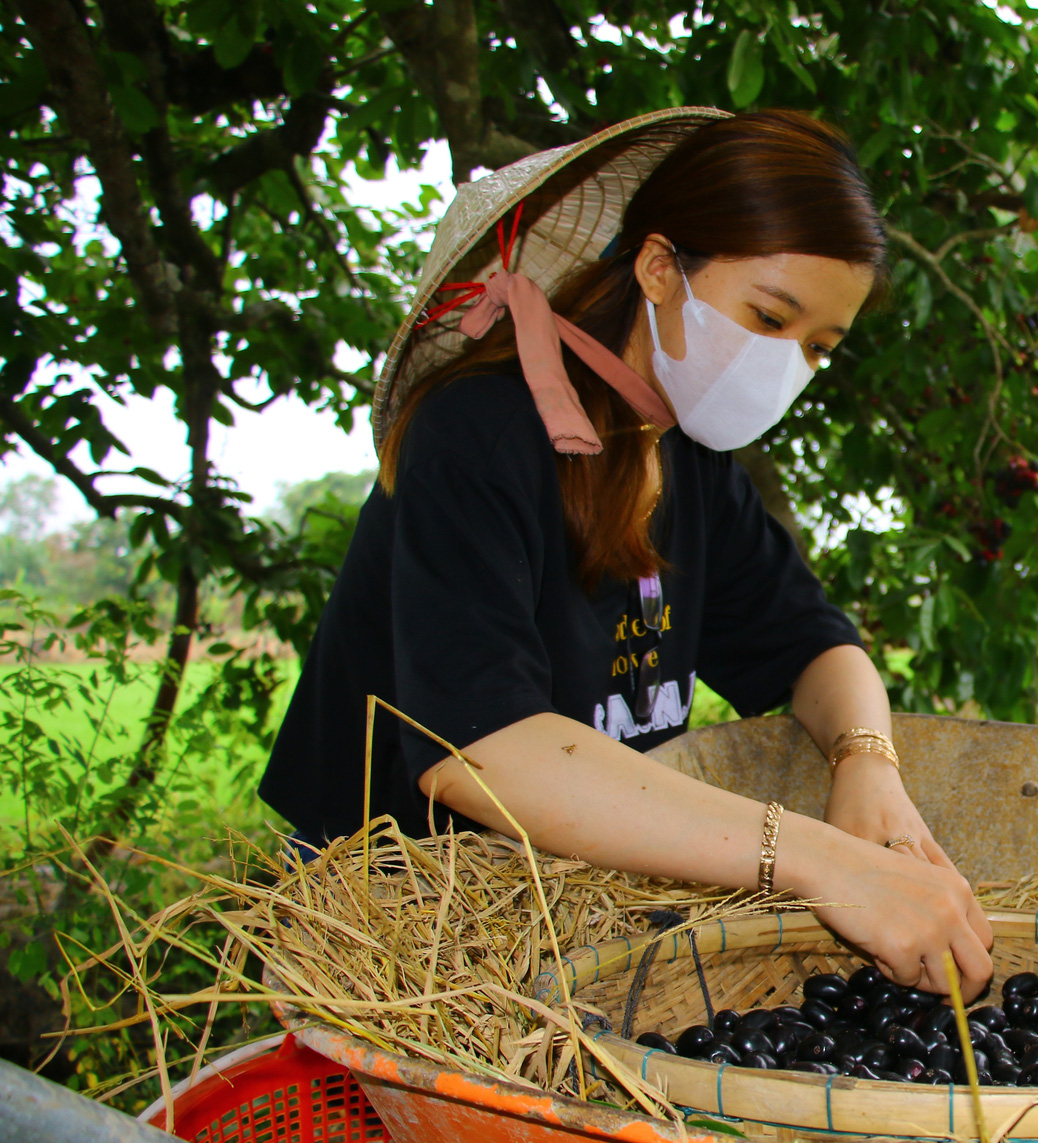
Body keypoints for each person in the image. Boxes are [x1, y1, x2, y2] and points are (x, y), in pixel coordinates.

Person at [260, 108, 993, 996]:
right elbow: (485, 753)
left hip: (558, 927)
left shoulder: (689, 460)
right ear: (658, 267)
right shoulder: (476, 434)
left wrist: (867, 761)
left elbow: (812, 646)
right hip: (399, 928)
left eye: (816, 349)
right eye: (769, 315)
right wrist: (819, 860)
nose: (786, 365)